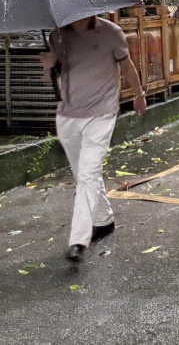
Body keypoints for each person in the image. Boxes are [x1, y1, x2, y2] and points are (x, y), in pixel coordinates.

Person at [39, 15, 147, 262]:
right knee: (83, 174)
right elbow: (54, 82)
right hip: (68, 114)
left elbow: (126, 64)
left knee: (87, 173)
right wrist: (49, 65)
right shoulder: (57, 36)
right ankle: (104, 220)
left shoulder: (110, 32)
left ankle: (79, 239)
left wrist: (139, 94)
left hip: (102, 112)